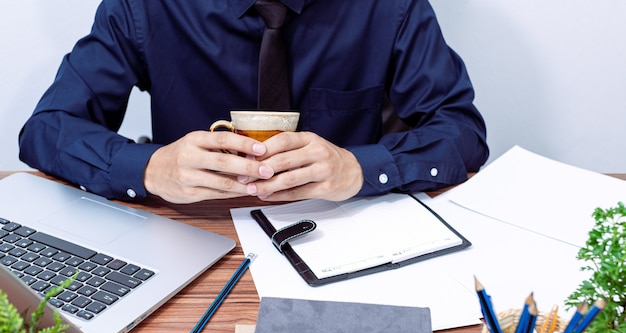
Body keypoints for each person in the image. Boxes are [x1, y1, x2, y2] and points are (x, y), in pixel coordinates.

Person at [19, 0, 488, 204]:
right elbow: (47, 128)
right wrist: (149, 168)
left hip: (346, 233)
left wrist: (358, 168)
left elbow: (462, 132)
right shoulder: (145, 7)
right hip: (191, 241)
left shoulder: (391, 7)